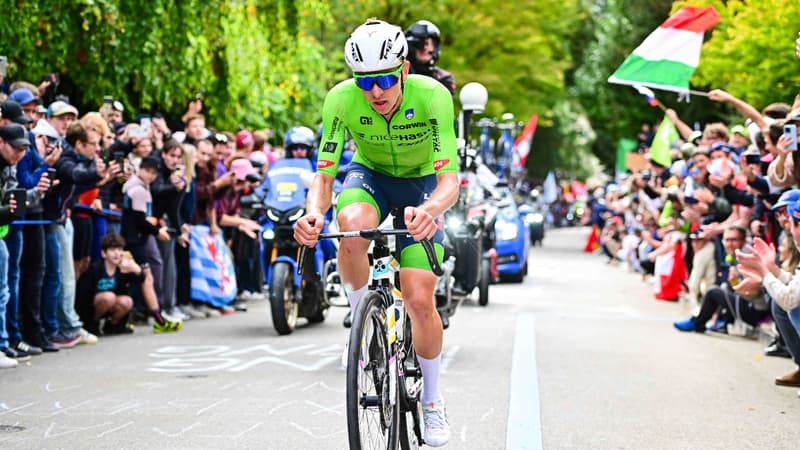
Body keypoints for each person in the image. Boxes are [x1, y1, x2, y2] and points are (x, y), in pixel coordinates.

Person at [294, 19, 458, 447]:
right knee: (350, 226)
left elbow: (450, 182)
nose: (376, 92)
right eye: (364, 83)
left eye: (385, 79)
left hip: (424, 182)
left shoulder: (433, 97)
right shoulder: (341, 100)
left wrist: (429, 210)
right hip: (370, 176)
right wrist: (312, 214)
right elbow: (325, 176)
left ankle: (433, 401)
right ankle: (362, 326)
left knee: (420, 297)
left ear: (403, 70)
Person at [120, 155, 182, 333]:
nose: (151, 176)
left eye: (154, 173)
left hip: (134, 237)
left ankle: (132, 317)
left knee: (134, 278)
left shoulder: (137, 186)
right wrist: (157, 232)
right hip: (135, 239)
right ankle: (158, 318)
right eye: (148, 171)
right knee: (146, 278)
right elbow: (138, 219)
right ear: (141, 169)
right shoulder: (138, 190)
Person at [75, 233, 140, 336]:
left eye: (119, 250)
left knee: (127, 301)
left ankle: (112, 325)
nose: (116, 253)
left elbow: (141, 279)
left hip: (111, 304)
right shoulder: (94, 269)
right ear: (104, 253)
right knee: (109, 297)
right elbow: (82, 296)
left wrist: (135, 268)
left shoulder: (122, 269)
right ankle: (92, 324)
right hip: (92, 307)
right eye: (112, 250)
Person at [405, 20, 456, 96]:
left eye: (429, 44)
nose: (425, 48)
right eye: (420, 43)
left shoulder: (443, 78)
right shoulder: (402, 74)